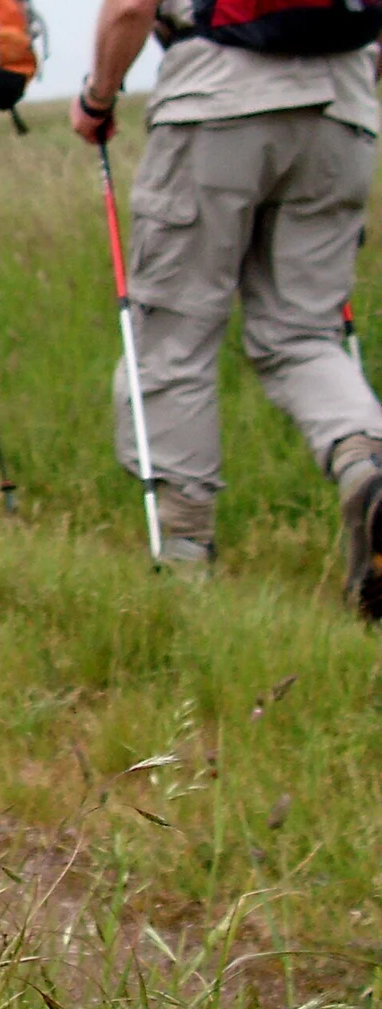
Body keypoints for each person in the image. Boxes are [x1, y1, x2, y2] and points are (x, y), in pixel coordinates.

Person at [71, 0, 382, 611]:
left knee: (175, 332)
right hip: (345, 105)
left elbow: (130, 7)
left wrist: (98, 97)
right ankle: (365, 459)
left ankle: (185, 554)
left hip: (217, 98)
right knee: (304, 334)